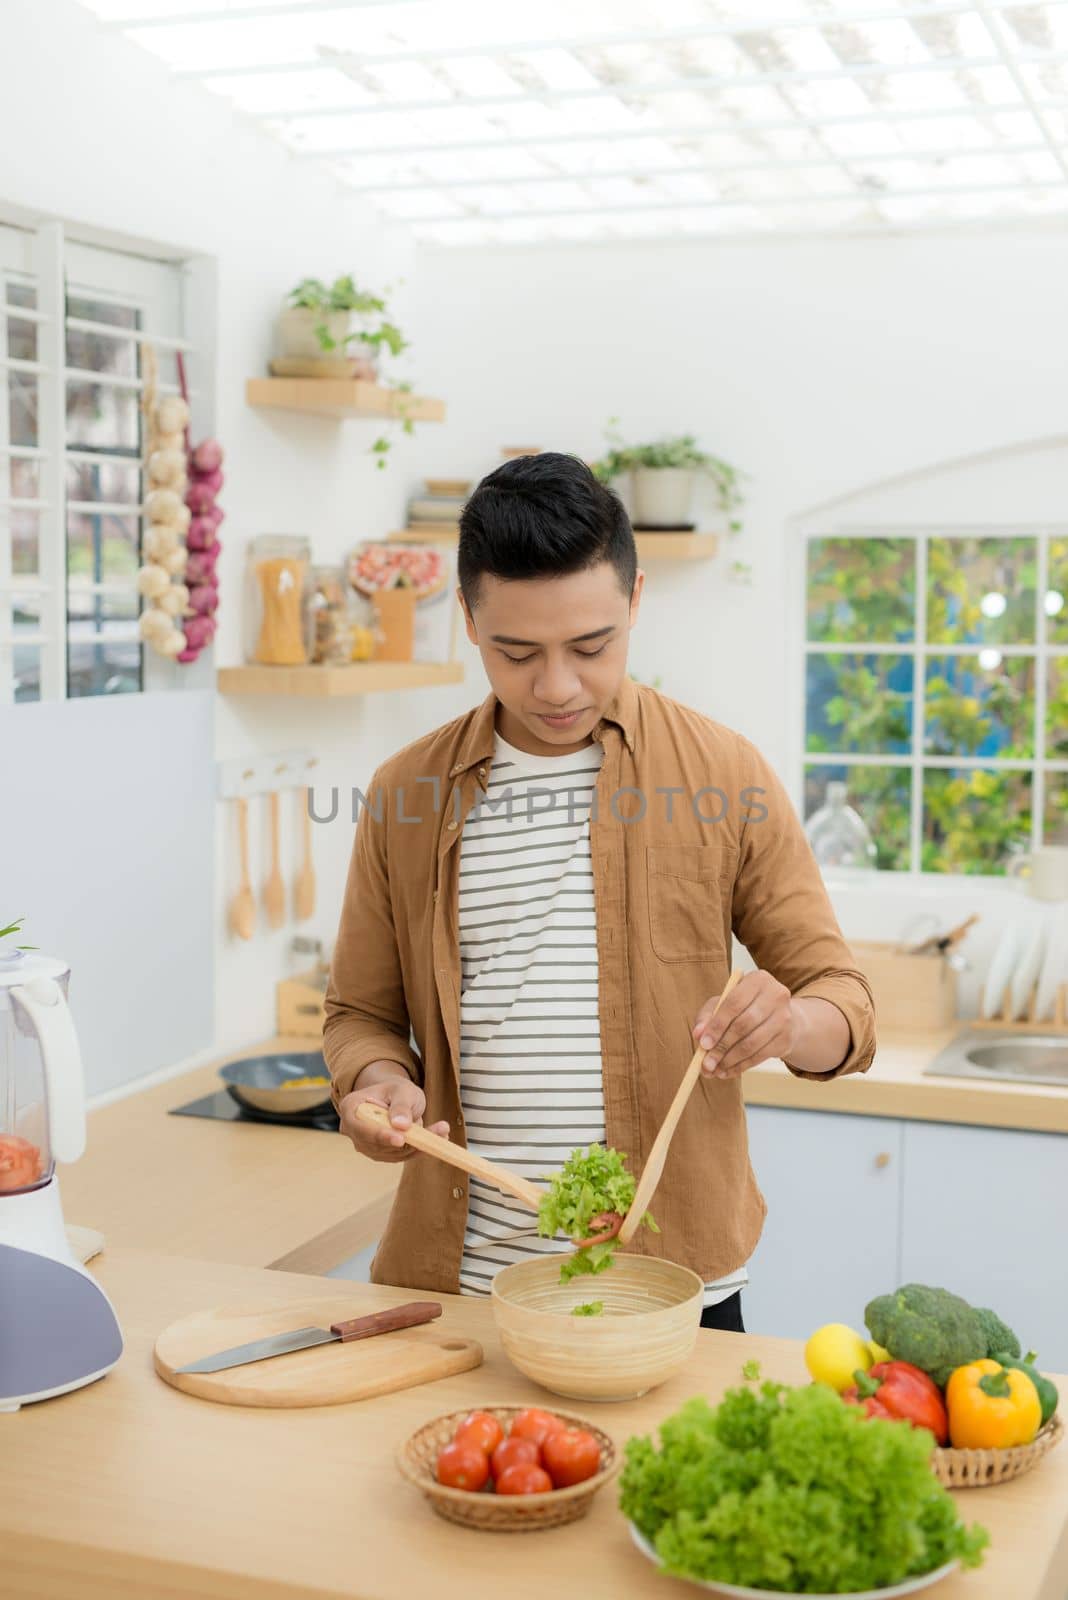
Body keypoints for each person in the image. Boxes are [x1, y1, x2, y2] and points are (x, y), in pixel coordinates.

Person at [324, 452, 875, 1331]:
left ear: (636, 602)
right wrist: (376, 1081)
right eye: (516, 652)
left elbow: (843, 1003)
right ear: (468, 618)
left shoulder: (724, 773)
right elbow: (359, 1013)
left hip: (675, 1289)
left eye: (591, 646)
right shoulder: (405, 794)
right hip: (466, 1290)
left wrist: (791, 1024)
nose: (556, 686)